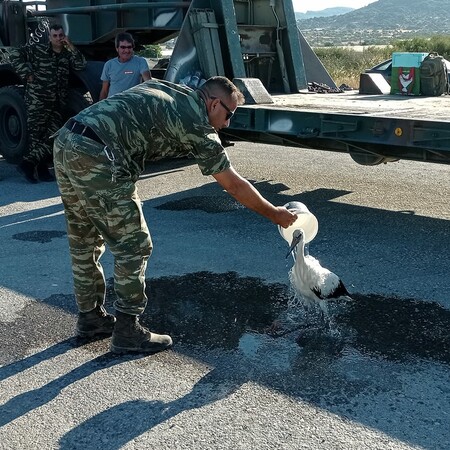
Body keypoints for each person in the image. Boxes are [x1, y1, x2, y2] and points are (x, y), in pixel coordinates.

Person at [52, 76, 297, 355]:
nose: (227, 123)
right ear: (214, 103)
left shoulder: (174, 90)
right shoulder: (196, 124)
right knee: (134, 245)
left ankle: (91, 319)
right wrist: (274, 213)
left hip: (67, 140)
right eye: (228, 115)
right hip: (99, 153)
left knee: (84, 240)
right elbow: (234, 185)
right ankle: (127, 331)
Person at [10, 24, 86, 183]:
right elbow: (15, 54)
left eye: (60, 35)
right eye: (55, 36)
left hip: (58, 101)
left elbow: (80, 64)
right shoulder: (38, 50)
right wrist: (26, 73)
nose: (58, 38)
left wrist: (71, 46)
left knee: (53, 135)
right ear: (50, 37)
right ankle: (40, 170)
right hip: (38, 99)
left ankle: (28, 163)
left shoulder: (67, 53)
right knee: (36, 136)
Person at [99, 32, 151, 100]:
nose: (126, 50)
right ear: (117, 48)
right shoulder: (109, 65)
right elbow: (104, 90)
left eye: (129, 47)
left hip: (131, 103)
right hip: (113, 103)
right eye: (123, 47)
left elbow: (148, 81)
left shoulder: (140, 62)